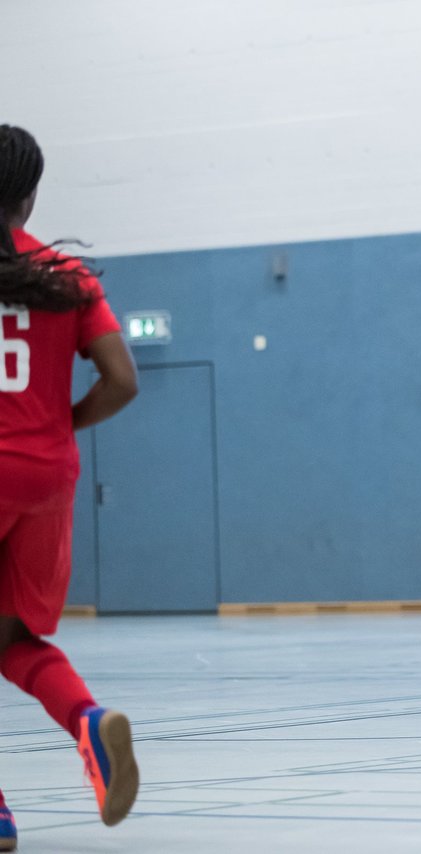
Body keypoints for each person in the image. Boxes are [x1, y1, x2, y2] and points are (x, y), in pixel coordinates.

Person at [0, 125, 141, 844]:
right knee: (13, 636)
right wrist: (59, 424)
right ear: (29, 196)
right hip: (48, 476)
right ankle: (88, 721)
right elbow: (122, 381)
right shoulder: (65, 276)